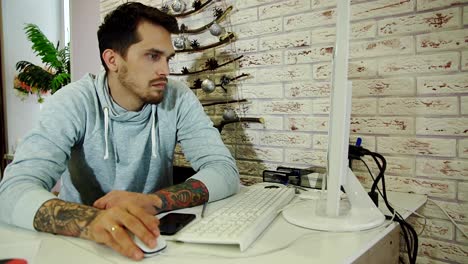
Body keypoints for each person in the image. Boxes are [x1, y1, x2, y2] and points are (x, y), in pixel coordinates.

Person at [0, 2, 239, 261]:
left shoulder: (177, 98)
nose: (165, 71)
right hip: (80, 246)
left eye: (167, 58)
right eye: (152, 56)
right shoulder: (72, 102)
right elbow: (12, 191)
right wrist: (93, 220)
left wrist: (155, 201)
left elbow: (224, 170)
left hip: (153, 239)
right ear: (112, 60)